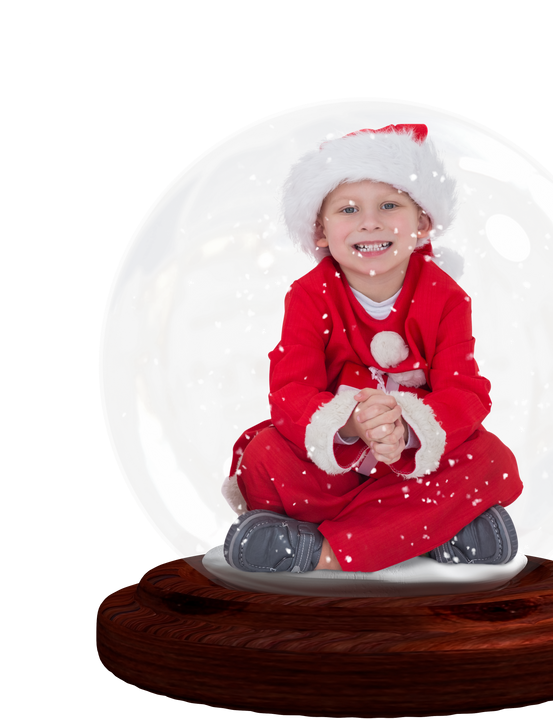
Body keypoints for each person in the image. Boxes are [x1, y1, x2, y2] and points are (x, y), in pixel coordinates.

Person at [220, 123, 523, 574]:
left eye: (389, 205)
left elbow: (465, 393)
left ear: (422, 224)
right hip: (331, 472)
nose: (370, 222)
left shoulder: (445, 297)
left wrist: (407, 427)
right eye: (347, 209)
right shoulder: (309, 295)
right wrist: (349, 424)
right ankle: (431, 534)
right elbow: (290, 394)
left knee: (495, 463)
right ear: (320, 230)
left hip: (412, 466)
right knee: (262, 458)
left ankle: (321, 553)